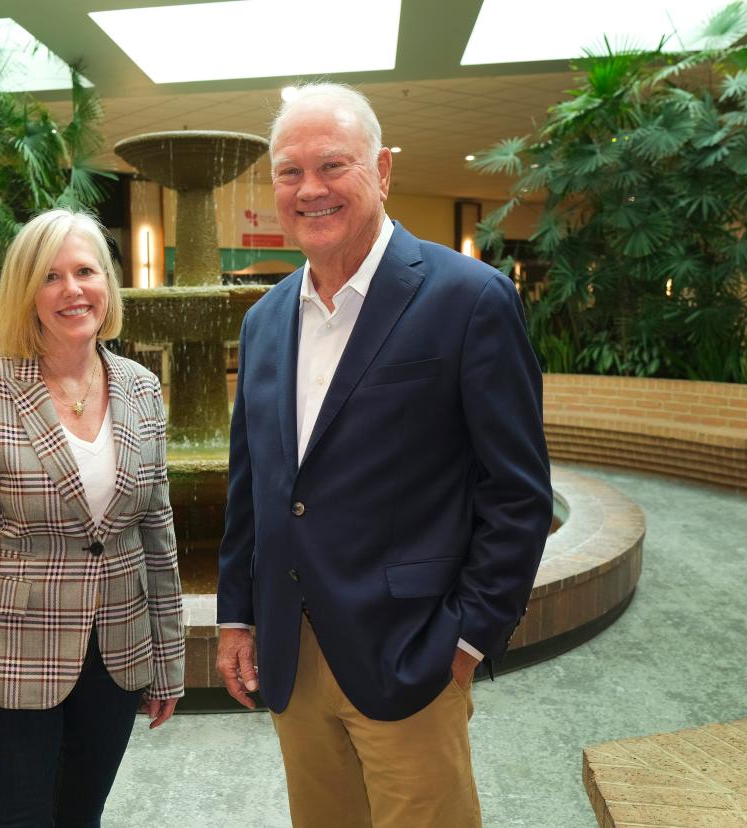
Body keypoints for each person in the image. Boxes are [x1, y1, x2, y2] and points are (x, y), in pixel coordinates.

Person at [215, 82, 553, 827]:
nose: (310, 189)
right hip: (293, 657)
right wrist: (237, 615)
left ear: (384, 170)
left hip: (413, 657)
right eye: (289, 171)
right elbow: (256, 487)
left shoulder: (470, 299)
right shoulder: (265, 321)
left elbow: (518, 493)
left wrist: (464, 641)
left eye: (333, 165)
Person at [0, 208, 185, 827]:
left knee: (82, 816)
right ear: (26, 293)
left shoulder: (141, 387)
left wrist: (169, 660)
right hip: (16, 662)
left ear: (108, 286)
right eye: (51, 277)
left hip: (119, 654)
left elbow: (158, 532)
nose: (72, 290)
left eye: (85, 272)